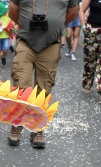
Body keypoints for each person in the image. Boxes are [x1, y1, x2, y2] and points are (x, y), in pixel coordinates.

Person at [7, 0, 78, 148]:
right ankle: (17, 125)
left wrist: (55, 24)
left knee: (44, 90)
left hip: (51, 45)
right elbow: (13, 12)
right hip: (26, 42)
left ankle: (37, 129)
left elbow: (73, 12)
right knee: (21, 86)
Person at [0, 1, 14, 70]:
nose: (6, 11)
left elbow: (11, 24)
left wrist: (8, 27)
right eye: (5, 10)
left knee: (6, 48)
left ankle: (3, 57)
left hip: (6, 36)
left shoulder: (8, 17)